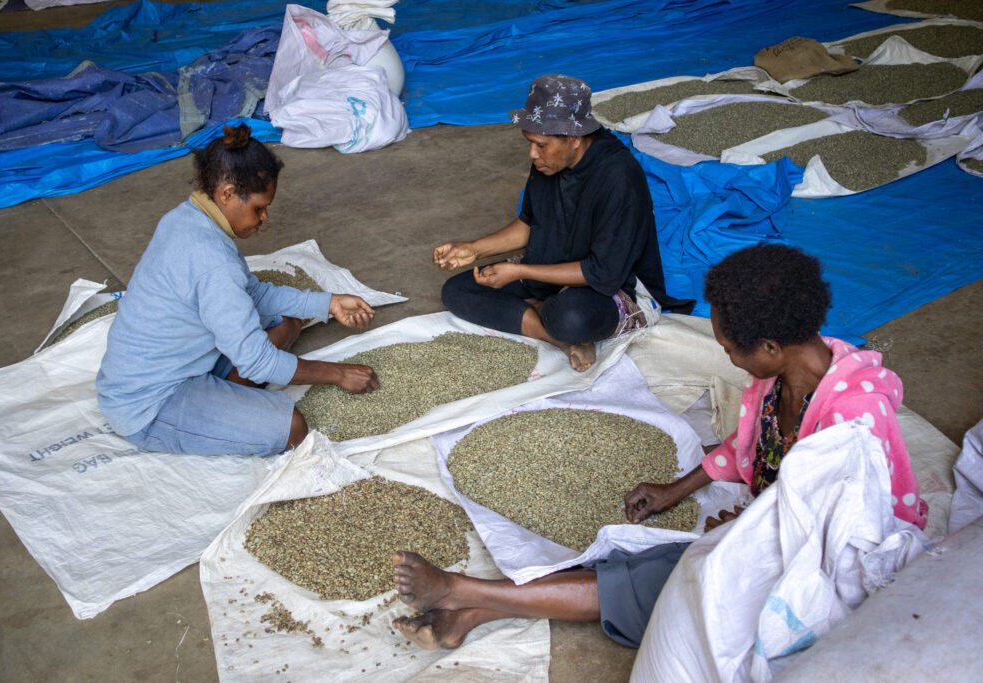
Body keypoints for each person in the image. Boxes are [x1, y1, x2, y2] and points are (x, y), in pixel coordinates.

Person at [391, 244, 926, 650]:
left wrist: (750, 532)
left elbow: (847, 532)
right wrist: (677, 489)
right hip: (782, 527)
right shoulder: (778, 376)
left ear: (768, 346)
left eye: (730, 350)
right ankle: (470, 612)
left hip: (837, 566)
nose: (729, 360)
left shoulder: (853, 422)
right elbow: (748, 446)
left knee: (669, 577)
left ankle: (465, 593)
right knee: (644, 554)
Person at [96, 123, 379, 457]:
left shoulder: (186, 217)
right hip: (151, 403)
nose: (264, 218)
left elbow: (253, 295)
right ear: (227, 194)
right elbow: (258, 362)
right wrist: (337, 374)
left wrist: (328, 303)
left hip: (185, 362)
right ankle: (218, 408)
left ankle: (225, 398)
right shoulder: (213, 261)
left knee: (287, 322)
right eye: (258, 208)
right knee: (292, 428)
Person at [434, 74, 692, 372]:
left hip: (612, 284)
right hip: (552, 266)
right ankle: (557, 338)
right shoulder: (548, 163)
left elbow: (603, 272)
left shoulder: (618, 177)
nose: (533, 154)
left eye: (541, 145)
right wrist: (474, 249)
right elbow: (528, 224)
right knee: (458, 291)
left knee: (570, 317)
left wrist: (518, 270)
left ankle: (548, 316)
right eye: (530, 143)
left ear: (574, 138)